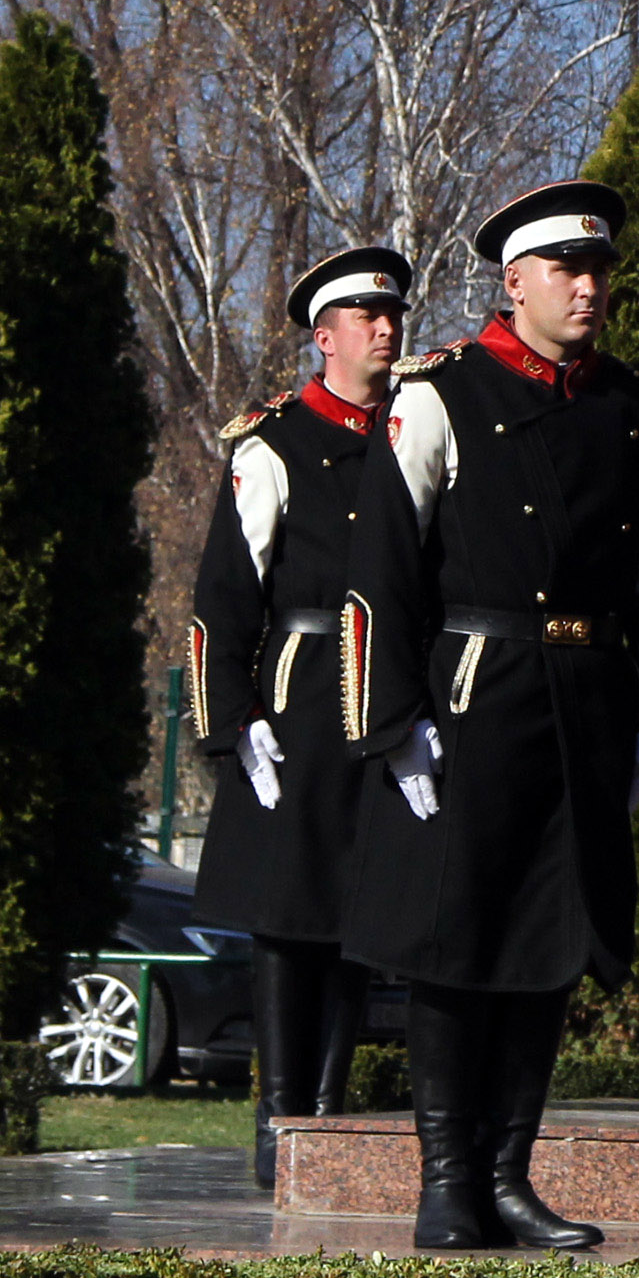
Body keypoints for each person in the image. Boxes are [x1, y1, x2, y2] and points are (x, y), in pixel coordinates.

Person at [342, 183, 639, 1253]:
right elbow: (382, 572)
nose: (589, 289)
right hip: (471, 695)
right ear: (515, 282)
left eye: (599, 272)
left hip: (583, 704)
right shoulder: (441, 391)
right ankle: (446, 1180)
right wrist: (392, 719)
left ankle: (509, 1176)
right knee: (457, 943)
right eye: (565, 271)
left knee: (552, 942)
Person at [188, 243, 413, 1188]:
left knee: (359, 909)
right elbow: (226, 588)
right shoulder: (274, 440)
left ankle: (330, 1112)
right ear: (326, 338)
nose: (388, 330)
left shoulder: (412, 433)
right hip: (299, 693)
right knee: (288, 918)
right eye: (369, 319)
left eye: (394, 315)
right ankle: (280, 1117)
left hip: (381, 698)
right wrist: (235, 718)